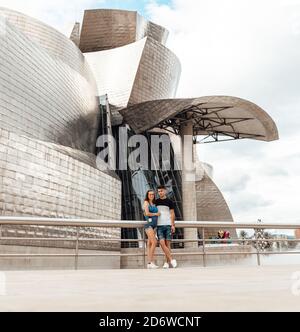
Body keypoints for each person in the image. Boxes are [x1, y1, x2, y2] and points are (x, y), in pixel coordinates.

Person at [156, 185, 177, 268]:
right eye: (158, 191)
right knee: (162, 243)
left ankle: (166, 263)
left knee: (167, 245)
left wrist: (173, 225)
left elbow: (172, 214)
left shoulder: (169, 202)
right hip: (159, 225)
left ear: (165, 191)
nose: (160, 193)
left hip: (168, 224)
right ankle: (172, 259)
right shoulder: (156, 202)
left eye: (161, 191)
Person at [143, 189, 160, 269]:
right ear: (147, 195)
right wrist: (156, 214)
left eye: (153, 194)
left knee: (150, 244)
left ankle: (149, 263)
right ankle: (150, 262)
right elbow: (147, 213)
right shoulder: (146, 202)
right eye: (150, 194)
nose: (151, 196)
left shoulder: (154, 203)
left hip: (154, 225)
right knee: (154, 242)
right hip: (149, 225)